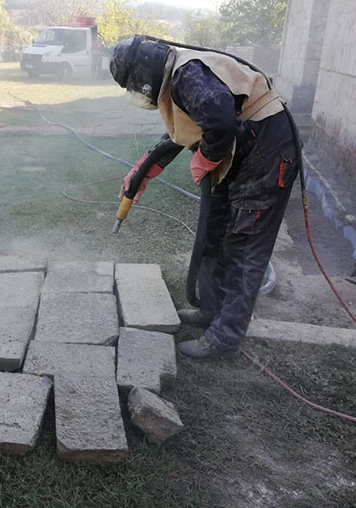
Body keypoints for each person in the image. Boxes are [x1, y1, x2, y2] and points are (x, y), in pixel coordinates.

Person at [110, 35, 300, 360]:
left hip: (266, 152)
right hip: (243, 148)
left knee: (244, 246)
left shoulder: (186, 73)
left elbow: (220, 121)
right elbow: (181, 131)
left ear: (145, 75)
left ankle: (224, 339)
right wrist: (143, 170)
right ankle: (211, 310)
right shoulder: (176, 75)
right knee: (214, 232)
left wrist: (207, 156)